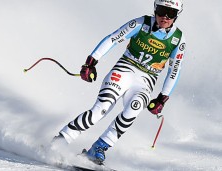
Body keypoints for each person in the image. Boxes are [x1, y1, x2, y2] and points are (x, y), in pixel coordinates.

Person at [54, 0, 186, 165]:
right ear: (155, 9)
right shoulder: (141, 23)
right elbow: (112, 39)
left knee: (133, 109)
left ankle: (99, 148)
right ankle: (60, 141)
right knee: (100, 110)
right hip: (124, 70)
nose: (165, 17)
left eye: (171, 13)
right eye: (161, 10)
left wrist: (162, 98)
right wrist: (91, 63)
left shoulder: (178, 40)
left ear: (177, 16)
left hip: (146, 81)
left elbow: (175, 70)